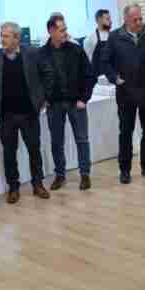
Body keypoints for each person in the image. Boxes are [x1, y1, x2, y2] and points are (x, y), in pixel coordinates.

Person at [0, 22, 50, 204]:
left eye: (6, 36)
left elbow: (47, 75)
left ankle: (38, 184)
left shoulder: (32, 53)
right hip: (6, 115)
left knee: (34, 149)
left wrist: (42, 98)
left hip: (29, 113)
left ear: (17, 38)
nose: (2, 39)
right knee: (9, 152)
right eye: (1, 36)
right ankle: (13, 187)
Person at [102, 3, 145, 184]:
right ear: (126, 19)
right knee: (125, 133)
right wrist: (115, 78)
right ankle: (125, 170)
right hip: (126, 93)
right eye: (135, 20)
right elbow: (105, 62)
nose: (139, 22)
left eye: (140, 18)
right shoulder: (115, 37)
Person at [38, 13, 96, 192]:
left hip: (75, 102)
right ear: (51, 31)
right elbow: (37, 80)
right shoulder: (41, 54)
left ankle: (85, 174)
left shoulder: (75, 50)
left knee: (82, 139)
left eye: (65, 29)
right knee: (57, 142)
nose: (66, 33)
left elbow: (90, 75)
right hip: (54, 105)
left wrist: (84, 98)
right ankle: (60, 175)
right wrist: (43, 99)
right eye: (62, 30)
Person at [83, 9, 112, 78]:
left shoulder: (113, 36)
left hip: (112, 76)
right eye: (107, 19)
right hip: (98, 78)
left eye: (110, 19)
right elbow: (87, 60)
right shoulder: (90, 38)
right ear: (99, 20)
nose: (111, 21)